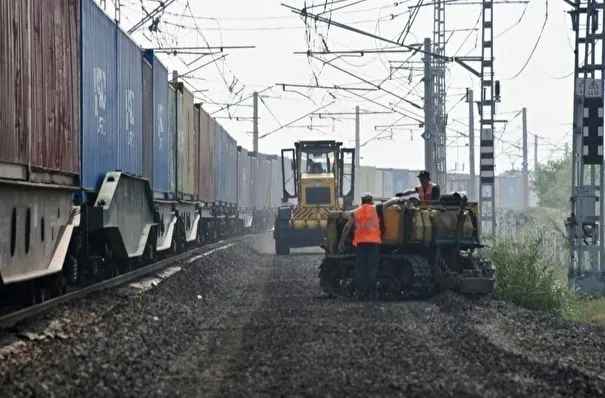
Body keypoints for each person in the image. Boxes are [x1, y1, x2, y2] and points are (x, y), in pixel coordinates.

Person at [338, 193, 402, 300]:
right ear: (371, 201)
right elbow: (391, 202)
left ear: (362, 201)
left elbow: (347, 227)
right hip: (373, 245)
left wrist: (341, 242)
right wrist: (398, 198)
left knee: (360, 270)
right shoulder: (376, 208)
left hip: (360, 245)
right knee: (372, 270)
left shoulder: (355, 212)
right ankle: (372, 295)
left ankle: (359, 294)